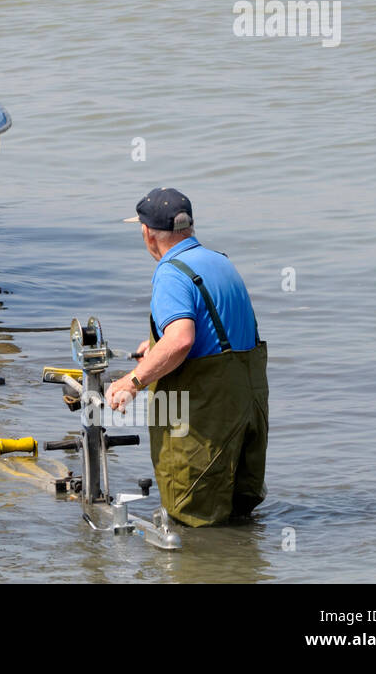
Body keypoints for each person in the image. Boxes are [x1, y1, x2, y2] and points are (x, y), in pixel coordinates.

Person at [106, 187, 269, 527]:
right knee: (240, 515)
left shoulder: (170, 273)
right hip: (248, 407)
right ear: (189, 228)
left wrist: (131, 381)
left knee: (193, 518)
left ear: (147, 232)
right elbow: (218, 330)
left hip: (206, 417)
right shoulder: (220, 261)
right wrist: (156, 347)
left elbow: (181, 340)